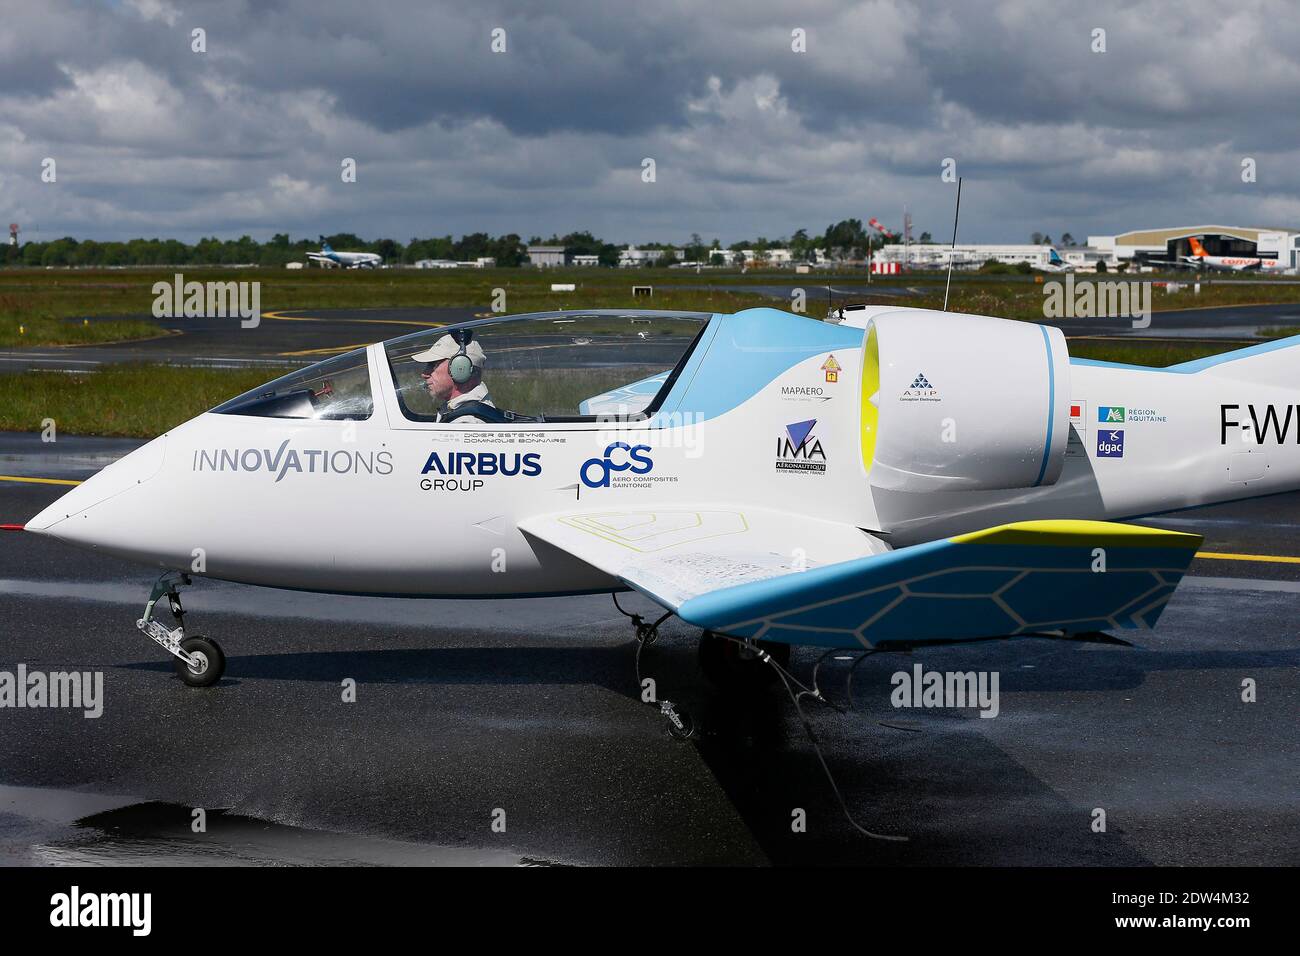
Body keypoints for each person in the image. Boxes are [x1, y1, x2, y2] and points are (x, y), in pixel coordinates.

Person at [410, 333, 496, 423]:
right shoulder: (456, 409)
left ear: (460, 369)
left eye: (433, 365)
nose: (424, 374)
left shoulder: (466, 423)